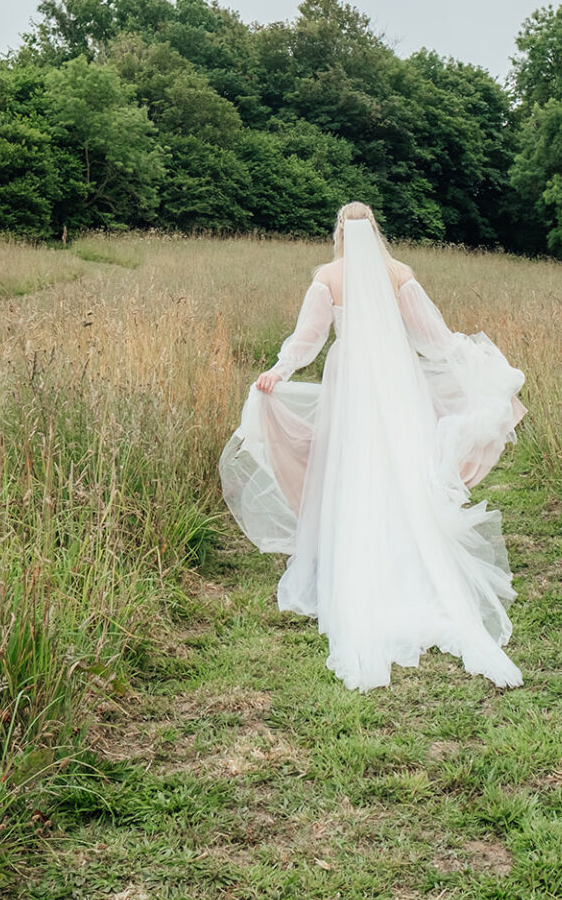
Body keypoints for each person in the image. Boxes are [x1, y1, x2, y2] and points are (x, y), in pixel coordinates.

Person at [219, 202, 526, 693]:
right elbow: (432, 335)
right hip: (397, 376)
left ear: (341, 231)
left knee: (353, 461)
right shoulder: (400, 272)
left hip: (352, 376)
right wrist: (473, 362)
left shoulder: (328, 276)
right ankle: (406, 544)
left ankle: (355, 545)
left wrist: (280, 370)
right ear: (375, 230)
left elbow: (308, 339)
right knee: (399, 459)